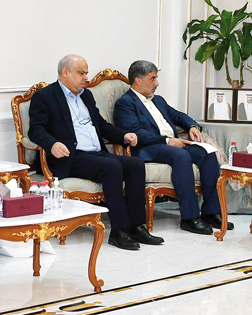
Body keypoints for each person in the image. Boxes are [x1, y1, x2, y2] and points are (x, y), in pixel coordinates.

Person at [28, 54, 163, 250]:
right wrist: (52, 144)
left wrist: (124, 135)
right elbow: (36, 129)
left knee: (135, 164)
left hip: (95, 154)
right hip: (70, 156)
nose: (86, 78)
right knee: (112, 166)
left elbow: (101, 125)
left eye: (86, 73)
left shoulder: (86, 95)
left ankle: (136, 226)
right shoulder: (45, 96)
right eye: (81, 73)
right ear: (65, 72)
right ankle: (118, 230)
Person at [113, 60, 226, 235]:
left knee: (208, 153)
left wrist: (192, 126)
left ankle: (211, 212)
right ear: (138, 80)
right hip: (150, 147)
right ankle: (190, 218)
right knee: (182, 156)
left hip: (172, 144)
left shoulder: (158, 100)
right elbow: (136, 132)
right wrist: (167, 140)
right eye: (153, 78)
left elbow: (178, 116)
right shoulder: (125, 103)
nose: (156, 83)